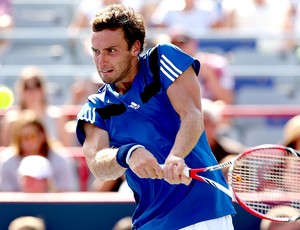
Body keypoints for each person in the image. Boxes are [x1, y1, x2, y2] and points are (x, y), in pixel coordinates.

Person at [76, 4, 235, 229]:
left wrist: (176, 157)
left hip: (201, 213)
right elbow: (97, 164)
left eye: (111, 51)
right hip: (150, 221)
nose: (101, 62)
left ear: (135, 47)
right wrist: (127, 154)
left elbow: (192, 114)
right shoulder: (96, 106)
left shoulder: (162, 59)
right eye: (96, 51)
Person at [0, 110, 77, 192]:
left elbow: (65, 193)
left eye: (32, 136)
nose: (28, 141)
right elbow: (6, 197)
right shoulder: (6, 161)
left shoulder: (61, 159)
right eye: (24, 137)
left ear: (42, 136)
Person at [0, 65, 70, 146]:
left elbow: (66, 152)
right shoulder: (12, 120)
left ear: (43, 89)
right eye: (26, 86)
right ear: (20, 90)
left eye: (37, 85)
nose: (32, 91)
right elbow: (4, 154)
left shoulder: (57, 118)